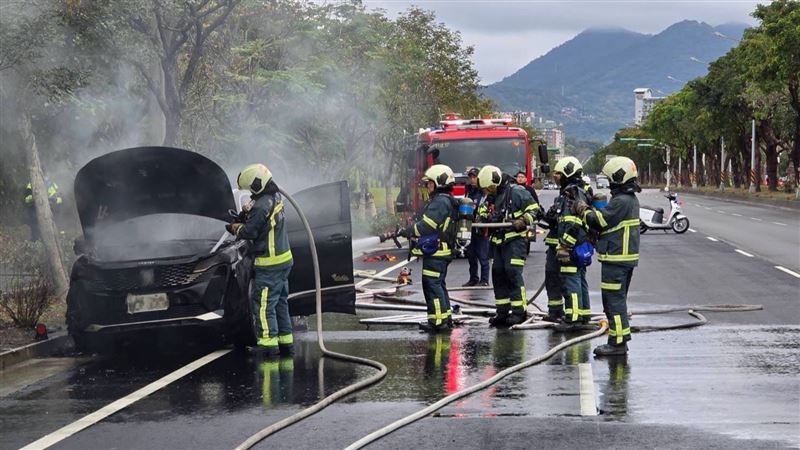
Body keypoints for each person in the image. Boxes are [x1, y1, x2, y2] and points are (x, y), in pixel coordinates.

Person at [575, 156, 641, 356]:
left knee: (614, 302)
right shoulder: (627, 199)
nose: (610, 182)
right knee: (616, 300)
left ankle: (618, 343)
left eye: (611, 178)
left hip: (616, 260)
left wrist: (583, 210)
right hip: (621, 259)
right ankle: (618, 339)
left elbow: (600, 221)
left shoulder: (621, 201)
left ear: (619, 177)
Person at [229, 163, 294, 358]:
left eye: (250, 189)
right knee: (281, 302)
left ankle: (268, 346)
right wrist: (248, 211)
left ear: (257, 185)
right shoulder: (274, 197)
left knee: (264, 305)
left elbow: (250, 232)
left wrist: (235, 227)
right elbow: (263, 216)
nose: (250, 192)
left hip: (269, 263)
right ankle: (285, 342)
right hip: (284, 262)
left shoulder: (261, 206)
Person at [478, 165, 541, 327]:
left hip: (515, 241)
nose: (488, 191)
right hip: (498, 241)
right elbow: (482, 212)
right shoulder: (493, 196)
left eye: (490, 187)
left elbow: (536, 210)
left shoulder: (517, 192)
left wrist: (523, 221)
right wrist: (483, 217)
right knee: (498, 274)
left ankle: (520, 312)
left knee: (513, 273)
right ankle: (502, 311)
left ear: (497, 181)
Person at [404, 164, 458, 333]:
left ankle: (438, 321)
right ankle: (445, 317)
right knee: (439, 284)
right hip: (441, 250)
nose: (428, 186)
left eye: (429, 183)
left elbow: (428, 225)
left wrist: (410, 230)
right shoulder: (444, 200)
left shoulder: (441, 201)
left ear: (438, 182)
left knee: (432, 285)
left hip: (437, 251)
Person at [551, 156, 593, 331]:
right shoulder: (575, 191)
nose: (556, 177)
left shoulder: (572, 193)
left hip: (573, 246)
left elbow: (575, 222)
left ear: (568, 174)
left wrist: (565, 245)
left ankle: (573, 318)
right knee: (579, 279)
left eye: (559, 174)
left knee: (571, 281)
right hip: (579, 244)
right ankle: (582, 314)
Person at [463, 167, 490, 287]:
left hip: (481, 228)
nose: (472, 179)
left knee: (483, 256)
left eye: (474, 177)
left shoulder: (484, 192)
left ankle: (484, 280)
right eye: (470, 177)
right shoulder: (469, 191)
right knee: (471, 256)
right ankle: (473, 278)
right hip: (470, 228)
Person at [515, 170, 541, 251]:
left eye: (522, 177)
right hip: (516, 217)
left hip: (527, 216)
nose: (520, 179)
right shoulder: (512, 189)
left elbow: (536, 203)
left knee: (527, 234)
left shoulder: (529, 189)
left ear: (526, 179)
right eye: (518, 177)